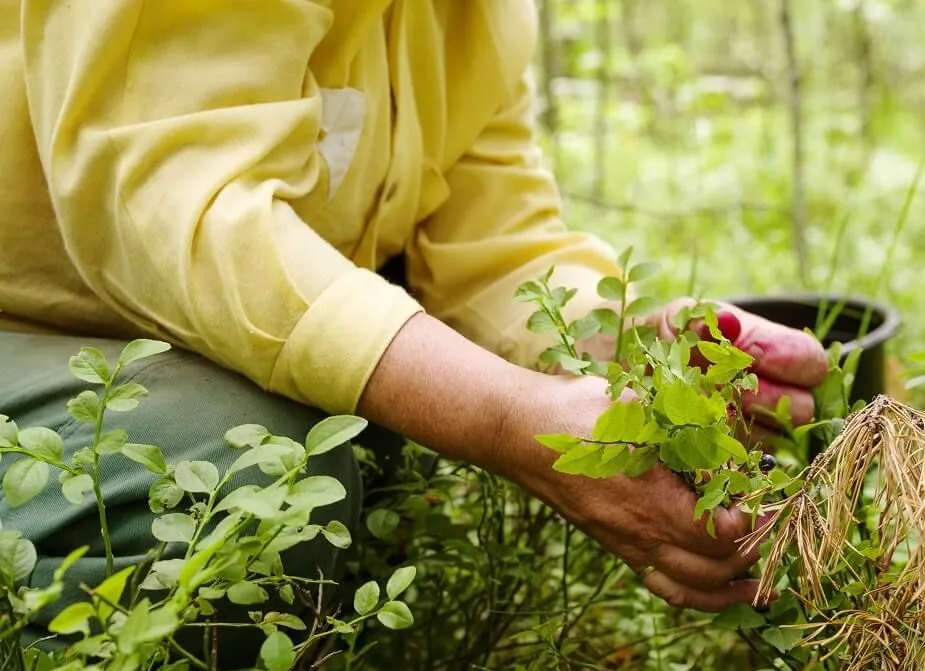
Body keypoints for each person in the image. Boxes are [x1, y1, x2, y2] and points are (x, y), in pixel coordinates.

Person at [0, 1, 828, 635]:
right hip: (23, 327)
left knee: (374, 422)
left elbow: (489, 243)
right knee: (242, 468)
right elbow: (179, 212)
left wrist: (631, 348)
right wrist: (508, 419)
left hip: (141, 337)